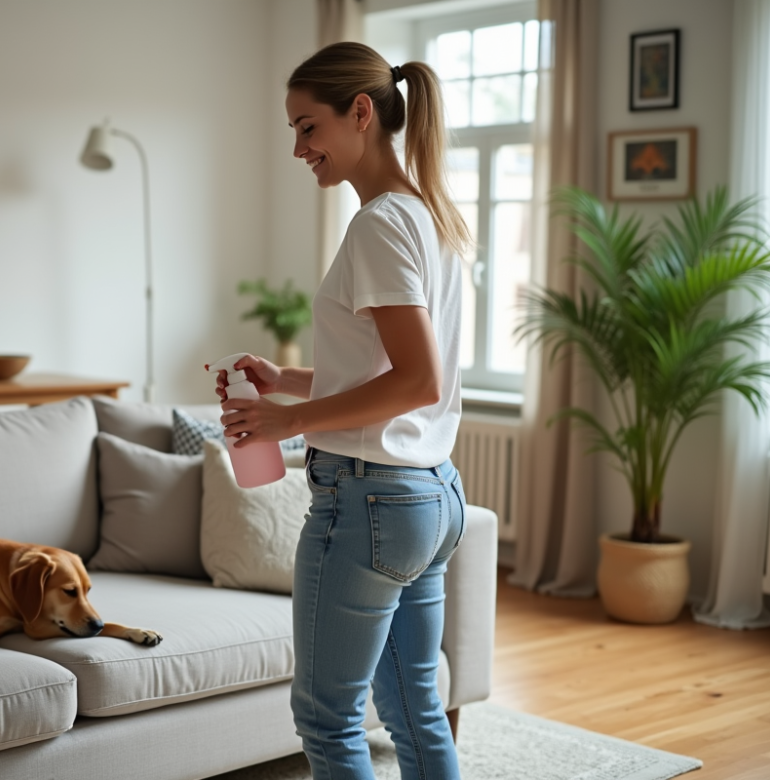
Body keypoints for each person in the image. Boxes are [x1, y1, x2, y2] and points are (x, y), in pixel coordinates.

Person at [216, 42, 471, 780]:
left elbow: (418, 380)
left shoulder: (379, 226)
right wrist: (288, 379)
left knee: (327, 720)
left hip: (370, 502)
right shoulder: (431, 217)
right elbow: (386, 368)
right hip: (430, 495)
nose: (298, 149)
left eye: (307, 128)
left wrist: (286, 422)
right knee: (415, 708)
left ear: (361, 113)